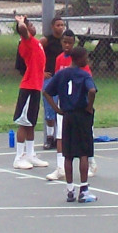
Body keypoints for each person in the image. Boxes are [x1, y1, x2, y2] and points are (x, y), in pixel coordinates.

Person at [43, 42, 98, 202]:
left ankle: (70, 190)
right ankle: (84, 190)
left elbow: (46, 92)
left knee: (68, 155)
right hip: (81, 115)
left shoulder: (61, 74)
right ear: (79, 59)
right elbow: (92, 90)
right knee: (83, 153)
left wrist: (57, 109)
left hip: (67, 116)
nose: (87, 60)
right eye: (86, 57)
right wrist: (89, 106)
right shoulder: (84, 75)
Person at [46, 30, 86, 181]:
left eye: (70, 42)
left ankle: (91, 162)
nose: (67, 45)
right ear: (61, 42)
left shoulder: (80, 62)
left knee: (83, 137)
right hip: (64, 105)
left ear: (74, 43)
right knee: (61, 135)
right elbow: (56, 83)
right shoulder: (59, 59)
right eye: (65, 42)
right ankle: (60, 167)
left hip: (79, 106)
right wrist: (56, 106)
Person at [11, 15, 49, 170]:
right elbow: (22, 30)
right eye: (30, 25)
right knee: (23, 123)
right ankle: (18, 157)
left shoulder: (35, 42)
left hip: (36, 87)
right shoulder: (26, 41)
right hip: (28, 87)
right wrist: (21, 22)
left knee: (31, 124)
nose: (33, 26)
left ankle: (30, 154)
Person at [41, 16, 68, 149]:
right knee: (50, 108)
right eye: (58, 25)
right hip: (50, 77)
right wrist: (41, 71)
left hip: (62, 78)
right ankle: (50, 137)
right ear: (52, 27)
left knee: (63, 107)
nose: (60, 27)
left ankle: (61, 136)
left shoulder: (66, 42)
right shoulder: (46, 41)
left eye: (62, 25)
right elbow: (35, 54)